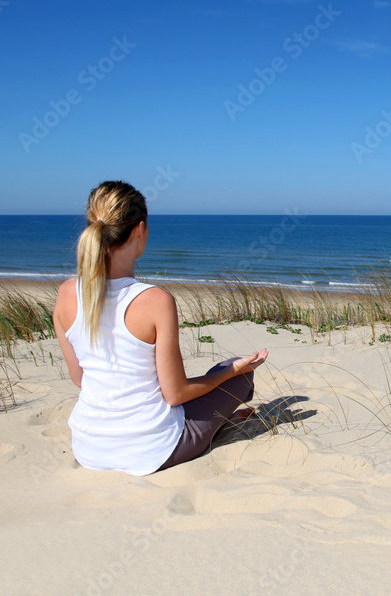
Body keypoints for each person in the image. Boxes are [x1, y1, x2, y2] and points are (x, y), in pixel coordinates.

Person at [53, 180, 267, 476]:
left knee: (216, 380)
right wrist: (234, 371)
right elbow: (175, 394)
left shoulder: (66, 293)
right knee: (235, 372)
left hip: (89, 446)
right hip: (154, 449)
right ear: (140, 230)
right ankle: (217, 425)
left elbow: (80, 379)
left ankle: (217, 421)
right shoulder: (155, 300)